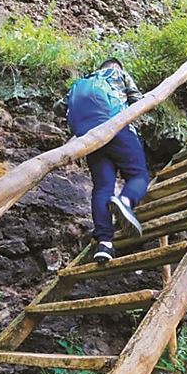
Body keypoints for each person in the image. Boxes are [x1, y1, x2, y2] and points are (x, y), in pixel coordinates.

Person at [56, 58, 150, 262]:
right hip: (118, 129)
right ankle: (125, 201)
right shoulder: (118, 74)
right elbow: (140, 101)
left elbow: (59, 107)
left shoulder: (79, 84)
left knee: (102, 187)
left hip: (91, 137)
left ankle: (104, 244)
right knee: (138, 175)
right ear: (117, 66)